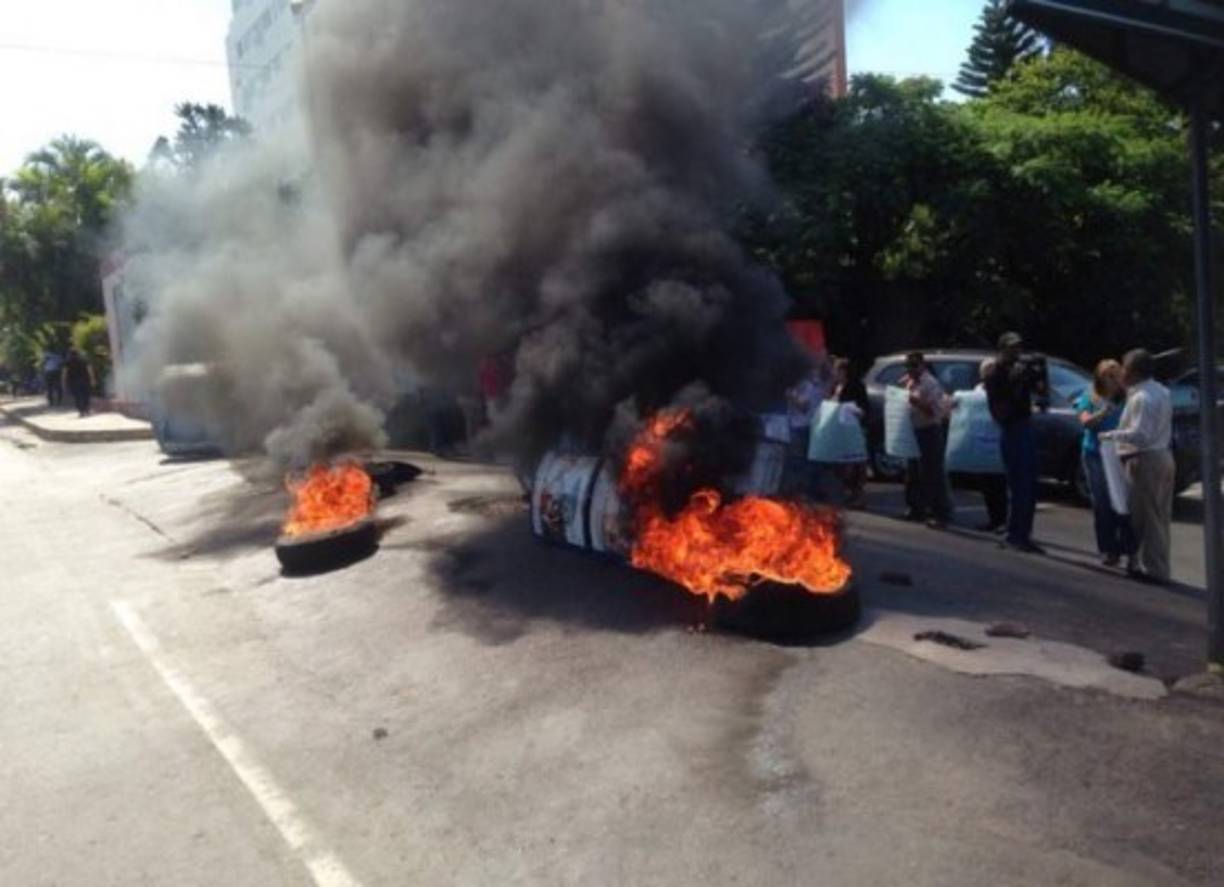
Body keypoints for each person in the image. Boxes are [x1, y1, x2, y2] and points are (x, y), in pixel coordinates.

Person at [1101, 349, 1174, 584]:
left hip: (1146, 459)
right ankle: (1149, 564)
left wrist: (1111, 435)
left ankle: (1154, 570)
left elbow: (1140, 435)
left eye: (1124, 367)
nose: (1121, 372)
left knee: (1146, 517)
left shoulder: (1142, 397)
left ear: (1133, 372)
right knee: (1158, 514)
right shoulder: (1161, 391)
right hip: (1162, 456)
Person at [985, 332, 1045, 554]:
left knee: (1029, 484)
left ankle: (1023, 533)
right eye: (1011, 348)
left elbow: (1041, 394)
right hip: (1012, 430)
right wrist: (1015, 383)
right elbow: (1000, 412)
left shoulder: (1021, 369)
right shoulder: (995, 374)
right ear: (1002, 349)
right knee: (1020, 484)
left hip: (1025, 427)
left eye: (1018, 348)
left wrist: (1038, 375)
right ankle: (1015, 534)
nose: (1016, 352)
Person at [1074, 360, 1137, 569]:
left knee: (1122, 502)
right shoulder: (1090, 395)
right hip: (1095, 452)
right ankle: (1109, 550)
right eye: (1107, 376)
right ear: (1100, 378)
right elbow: (1084, 421)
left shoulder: (1128, 397)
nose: (1112, 380)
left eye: (1116, 375)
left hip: (1120, 453)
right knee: (1102, 503)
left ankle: (1129, 551)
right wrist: (1102, 412)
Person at [902, 352, 952, 528]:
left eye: (914, 366)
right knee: (913, 471)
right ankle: (916, 509)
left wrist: (917, 403)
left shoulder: (930, 384)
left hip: (929, 430)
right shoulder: (909, 381)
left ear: (922, 366)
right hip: (914, 431)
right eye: (908, 366)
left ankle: (940, 513)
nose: (911, 370)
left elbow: (934, 413)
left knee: (932, 473)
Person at [959, 358, 1009, 534]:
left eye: (991, 370)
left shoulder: (1003, 390)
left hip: (996, 441)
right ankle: (992, 519)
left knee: (999, 483)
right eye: (986, 371)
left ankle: (1002, 520)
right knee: (986, 484)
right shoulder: (977, 391)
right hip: (980, 441)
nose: (988, 374)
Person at [831, 357, 869, 507]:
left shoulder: (856, 386)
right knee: (842, 466)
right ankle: (845, 494)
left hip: (854, 431)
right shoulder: (835, 386)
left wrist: (855, 410)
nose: (834, 373)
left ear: (844, 371)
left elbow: (864, 408)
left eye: (837, 370)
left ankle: (858, 497)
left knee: (855, 465)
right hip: (839, 430)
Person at [784, 365, 825, 499]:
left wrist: (790, 395)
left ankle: (799, 492)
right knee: (806, 462)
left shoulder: (809, 384)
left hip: (800, 425)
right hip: (809, 425)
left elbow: (804, 406)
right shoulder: (817, 383)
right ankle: (805, 491)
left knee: (798, 462)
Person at [64, 349, 93, 417]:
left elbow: (64, 373)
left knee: (77, 396)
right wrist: (92, 379)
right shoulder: (84, 361)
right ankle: (86, 409)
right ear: (78, 354)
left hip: (73, 382)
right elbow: (90, 370)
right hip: (85, 380)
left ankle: (81, 411)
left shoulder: (67, 362)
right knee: (86, 395)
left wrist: (64, 382)